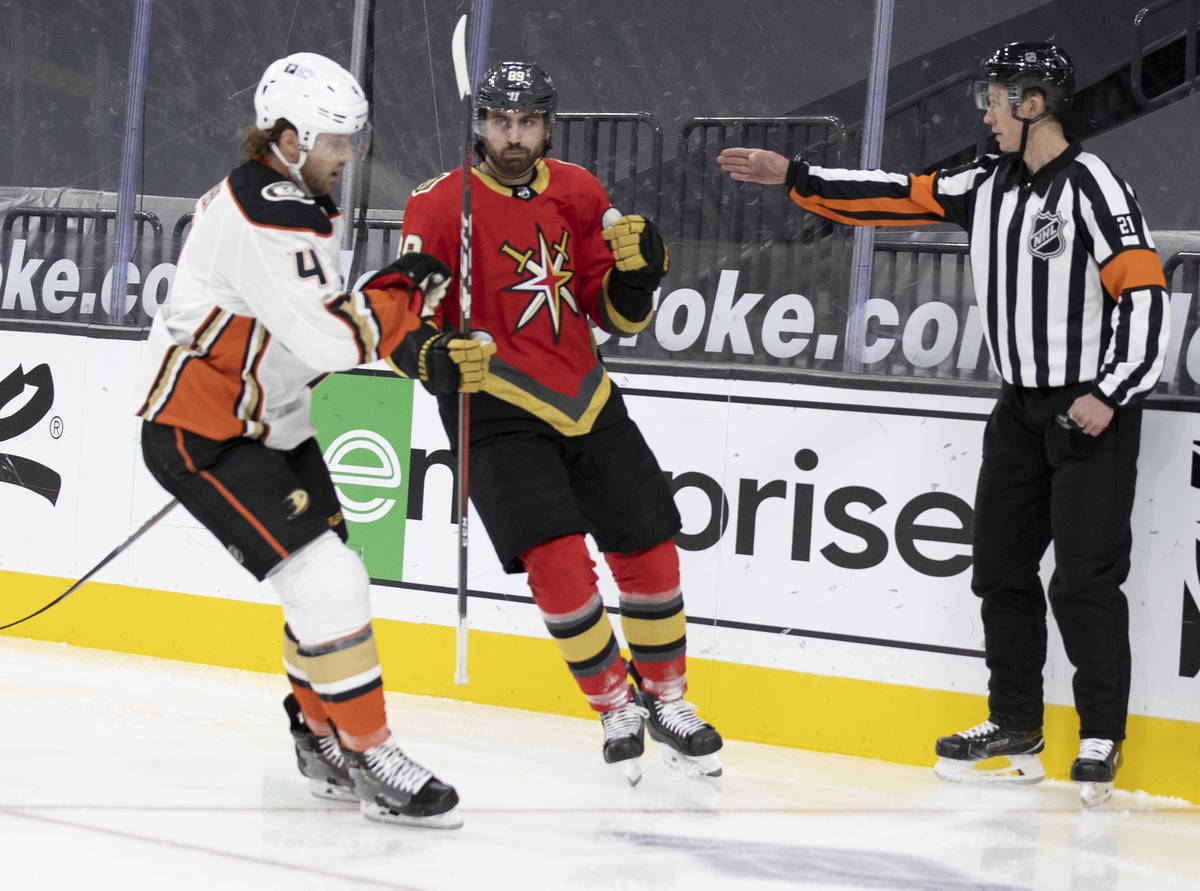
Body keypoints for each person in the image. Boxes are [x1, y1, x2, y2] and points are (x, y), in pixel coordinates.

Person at [718, 41, 1169, 806]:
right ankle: (1016, 724)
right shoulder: (985, 181)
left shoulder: (1094, 187)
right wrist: (796, 178)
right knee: (998, 570)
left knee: (1087, 579)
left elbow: (1145, 294)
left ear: (1034, 104)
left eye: (996, 98)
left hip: (1089, 409)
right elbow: (895, 192)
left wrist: (1110, 391)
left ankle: (1101, 733)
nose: (986, 113)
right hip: (1018, 410)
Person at [135, 52, 482, 828]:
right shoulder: (270, 211)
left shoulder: (288, 199)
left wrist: (399, 307)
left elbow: (304, 331)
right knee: (329, 581)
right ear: (287, 138)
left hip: (272, 421)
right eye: (335, 140)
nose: (347, 155)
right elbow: (329, 339)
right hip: (206, 432)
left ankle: (319, 737)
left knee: (319, 581)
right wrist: (398, 296)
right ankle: (370, 754)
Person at [389, 60, 723, 784]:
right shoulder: (440, 205)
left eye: (528, 122)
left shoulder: (579, 190)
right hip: (495, 403)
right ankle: (614, 703)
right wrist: (433, 358)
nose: (514, 136)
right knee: (556, 558)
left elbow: (616, 315)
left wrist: (639, 274)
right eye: (501, 122)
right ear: (479, 123)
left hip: (586, 393)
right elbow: (397, 317)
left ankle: (668, 699)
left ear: (547, 123)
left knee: (649, 544)